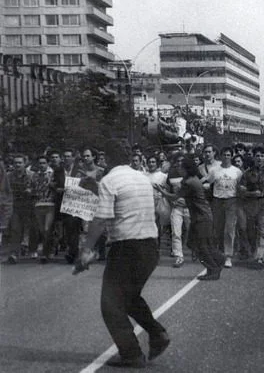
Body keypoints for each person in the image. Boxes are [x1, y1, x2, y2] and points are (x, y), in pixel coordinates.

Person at [77, 164, 170, 368]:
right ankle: (157, 333)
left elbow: (100, 219)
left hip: (126, 248)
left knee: (110, 303)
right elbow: (125, 202)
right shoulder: (142, 178)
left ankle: (131, 354)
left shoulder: (110, 181)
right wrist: (96, 186)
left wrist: (86, 250)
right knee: (129, 297)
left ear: (107, 163)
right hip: (149, 246)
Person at [158, 156, 225, 279]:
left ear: (186, 169)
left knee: (201, 245)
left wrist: (161, 191)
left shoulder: (189, 182)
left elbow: (175, 197)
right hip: (200, 216)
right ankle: (218, 259)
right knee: (195, 243)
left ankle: (214, 268)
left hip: (201, 217)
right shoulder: (190, 179)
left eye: (181, 167)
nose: (178, 169)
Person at [202, 147, 243, 268]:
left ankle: (228, 256)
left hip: (231, 201)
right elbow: (207, 182)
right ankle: (218, 253)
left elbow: (240, 186)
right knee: (217, 228)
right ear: (220, 156)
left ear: (232, 156)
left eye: (228, 155)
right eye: (224, 155)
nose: (226, 157)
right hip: (217, 201)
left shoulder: (237, 171)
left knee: (229, 229)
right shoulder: (214, 170)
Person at [31, 155, 57, 263]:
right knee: (42, 230)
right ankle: (49, 249)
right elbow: (32, 187)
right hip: (38, 204)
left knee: (47, 229)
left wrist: (53, 186)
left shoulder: (53, 174)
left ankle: (46, 253)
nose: (42, 165)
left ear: (48, 163)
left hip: (50, 204)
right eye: (40, 163)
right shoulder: (35, 175)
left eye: (44, 163)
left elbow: (57, 187)